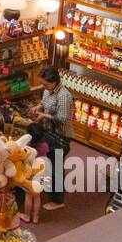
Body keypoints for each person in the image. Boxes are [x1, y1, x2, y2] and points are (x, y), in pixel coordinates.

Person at [32, 65, 73, 211]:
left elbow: (62, 118)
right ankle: (48, 187)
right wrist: (39, 107)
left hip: (61, 136)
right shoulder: (48, 90)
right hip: (49, 133)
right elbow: (44, 103)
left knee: (56, 167)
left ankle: (58, 199)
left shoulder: (64, 96)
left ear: (54, 82)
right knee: (48, 163)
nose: (43, 86)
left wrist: (44, 116)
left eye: (45, 84)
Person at [21, 123, 51, 225]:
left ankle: (26, 216)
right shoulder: (44, 146)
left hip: (30, 175)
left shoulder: (27, 147)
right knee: (37, 196)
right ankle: (35, 218)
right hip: (42, 174)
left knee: (28, 196)